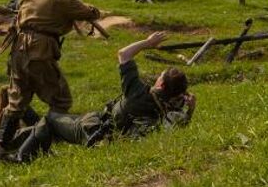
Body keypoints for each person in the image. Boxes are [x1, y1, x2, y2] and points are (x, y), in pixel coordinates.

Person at [11, 32, 196, 163]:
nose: (157, 76)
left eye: (160, 76)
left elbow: (123, 53)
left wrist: (147, 43)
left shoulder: (138, 92)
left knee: (50, 119)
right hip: (105, 136)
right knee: (49, 126)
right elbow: (179, 125)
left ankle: (20, 158)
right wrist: (191, 109)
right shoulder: (168, 109)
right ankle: (32, 141)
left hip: (92, 130)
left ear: (161, 84)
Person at [0, 0, 101, 160]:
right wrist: (80, 1)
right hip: (40, 51)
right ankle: (40, 142)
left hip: (19, 50)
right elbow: (92, 13)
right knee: (61, 100)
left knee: (17, 101)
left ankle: (1, 148)